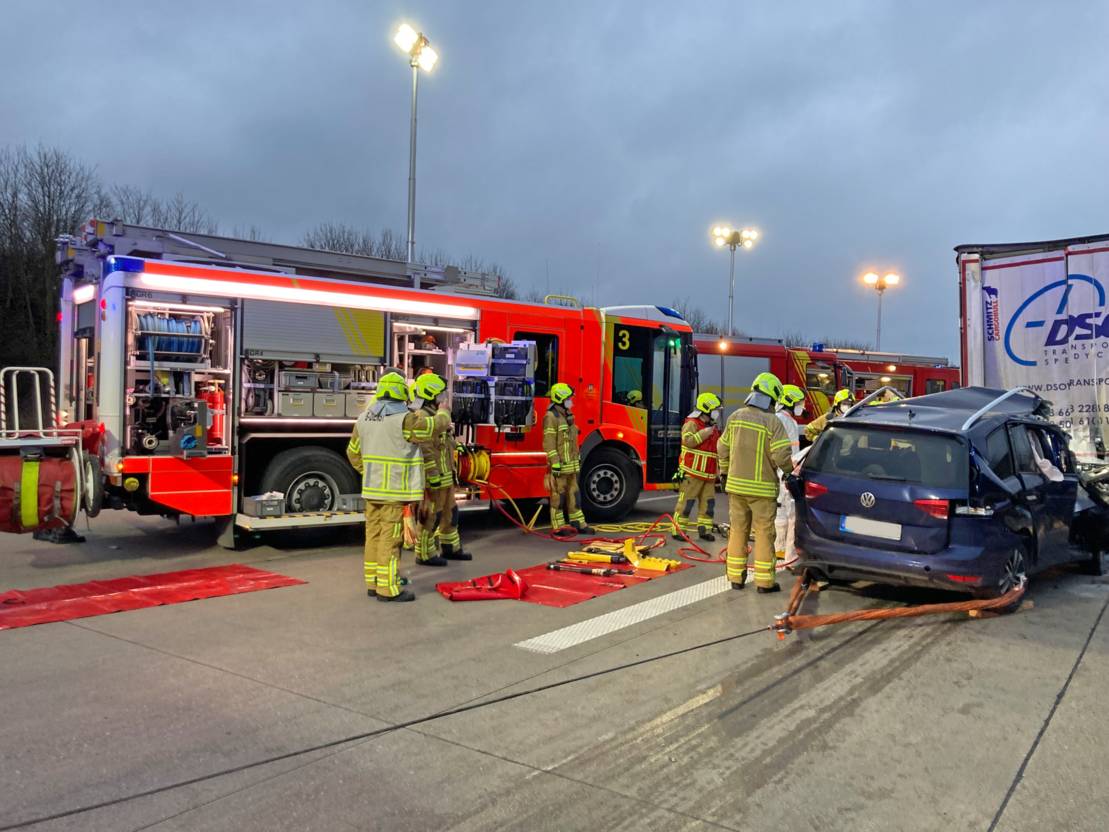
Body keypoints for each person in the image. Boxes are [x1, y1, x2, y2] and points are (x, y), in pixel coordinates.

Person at [346, 371, 434, 602]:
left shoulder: (363, 418)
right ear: (402, 392)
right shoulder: (405, 420)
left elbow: (353, 453)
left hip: (372, 491)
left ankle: (373, 583)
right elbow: (428, 431)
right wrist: (438, 411)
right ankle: (388, 589)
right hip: (394, 493)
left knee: (372, 536)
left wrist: (370, 473)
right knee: (390, 539)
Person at [718, 372, 794, 593]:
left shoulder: (735, 417)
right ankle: (764, 583)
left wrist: (724, 473)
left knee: (738, 531)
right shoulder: (773, 422)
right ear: (772, 398)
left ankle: (735, 578)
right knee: (763, 533)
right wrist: (789, 472)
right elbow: (781, 456)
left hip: (736, 489)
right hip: (762, 491)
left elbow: (722, 448)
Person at [411, 372, 471, 565]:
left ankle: (450, 548)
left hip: (446, 478)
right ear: (431, 394)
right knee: (430, 517)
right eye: (440, 394)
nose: (443, 398)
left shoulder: (436, 417)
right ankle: (424, 554)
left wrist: (455, 445)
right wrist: (433, 475)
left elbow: (442, 442)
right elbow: (425, 450)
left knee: (450, 515)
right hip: (434, 480)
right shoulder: (422, 417)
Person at [543, 382, 595, 534]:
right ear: (560, 398)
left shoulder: (568, 416)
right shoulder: (551, 417)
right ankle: (558, 527)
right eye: (568, 399)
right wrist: (555, 463)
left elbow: (572, 442)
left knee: (574, 495)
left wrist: (577, 458)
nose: (571, 401)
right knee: (558, 497)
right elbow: (549, 442)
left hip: (571, 466)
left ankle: (578, 523)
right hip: (560, 466)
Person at [673, 392, 723, 542]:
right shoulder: (692, 423)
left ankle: (704, 530)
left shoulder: (712, 427)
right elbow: (687, 441)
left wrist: (718, 472)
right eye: (715, 409)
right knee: (686, 503)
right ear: (706, 409)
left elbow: (716, 451)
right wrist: (703, 434)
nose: (717, 413)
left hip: (708, 475)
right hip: (691, 474)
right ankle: (678, 530)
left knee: (708, 505)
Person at [774, 384, 806, 561]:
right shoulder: (786, 421)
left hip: (781, 471)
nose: (802, 406)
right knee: (789, 512)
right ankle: (787, 553)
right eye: (800, 403)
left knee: (781, 510)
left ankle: (779, 548)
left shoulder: (780, 419)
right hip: (786, 471)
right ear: (789, 402)